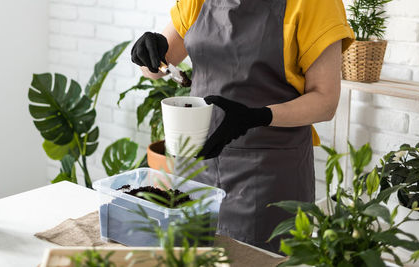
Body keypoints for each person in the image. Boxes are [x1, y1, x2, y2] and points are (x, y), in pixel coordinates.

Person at [130, 0, 354, 253]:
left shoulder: (315, 4)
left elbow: (325, 101)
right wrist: (148, 52)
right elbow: (158, 67)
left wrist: (257, 116)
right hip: (197, 166)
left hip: (268, 174)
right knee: (191, 254)